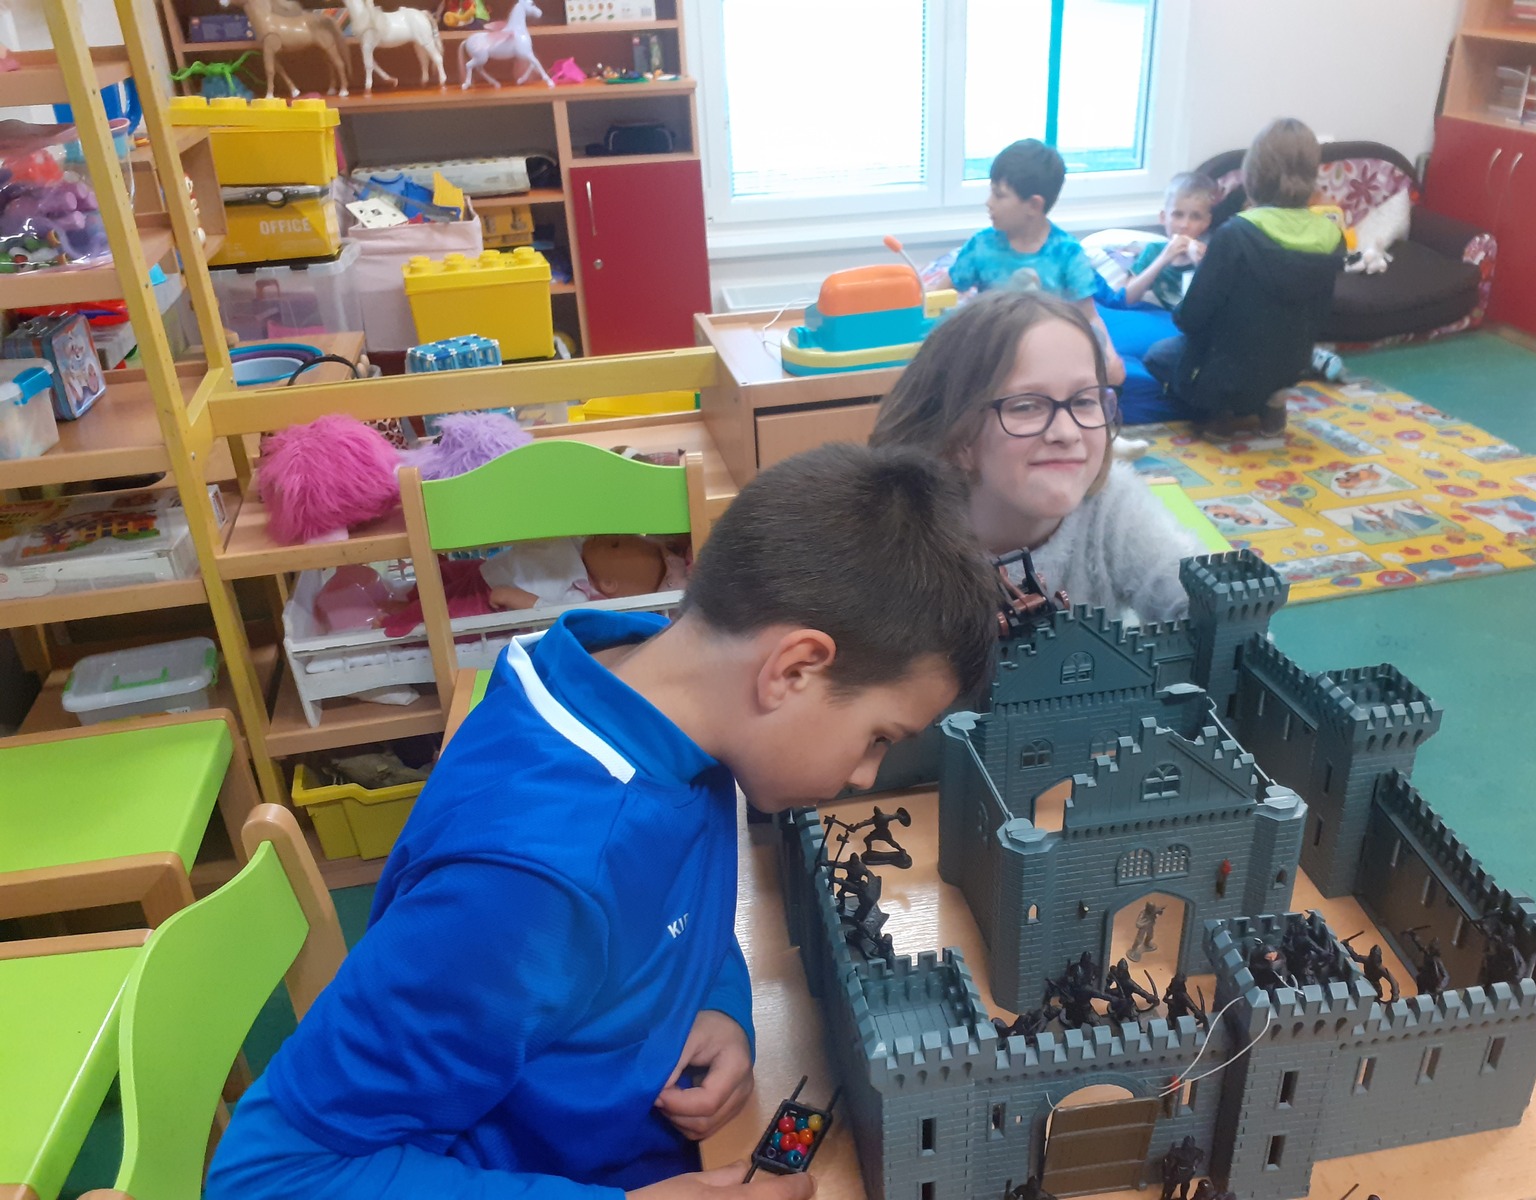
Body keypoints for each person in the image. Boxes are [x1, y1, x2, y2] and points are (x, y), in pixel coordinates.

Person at [206, 444, 1000, 1200]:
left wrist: (719, 999)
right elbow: (271, 1175)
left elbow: (668, 899)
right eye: (878, 738)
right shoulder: (528, 883)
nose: (864, 777)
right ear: (793, 669)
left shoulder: (650, 686)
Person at [871, 289, 1204, 626]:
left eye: (1083, 401)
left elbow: (1198, 600)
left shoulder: (1113, 504)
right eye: (1026, 406)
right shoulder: (896, 540)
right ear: (956, 436)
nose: (1067, 432)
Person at [1144, 117, 1343, 437]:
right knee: (1265, 354)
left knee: (1157, 356)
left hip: (1227, 368)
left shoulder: (1236, 234)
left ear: (1253, 174)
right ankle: (1272, 403)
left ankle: (1219, 412)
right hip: (1291, 364)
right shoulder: (1332, 235)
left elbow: (1191, 317)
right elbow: (1322, 313)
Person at [931, 138, 1126, 388]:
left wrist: (1109, 356)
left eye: (999, 195)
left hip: (1049, 355)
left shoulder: (1067, 253)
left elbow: (1088, 315)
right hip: (990, 354)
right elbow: (939, 295)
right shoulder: (981, 246)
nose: (988, 202)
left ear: (1034, 205)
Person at [1104, 172, 1217, 313]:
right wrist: (1163, 259)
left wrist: (1203, 265)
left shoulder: (1212, 255)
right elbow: (1126, 299)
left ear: (1206, 222)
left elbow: (1219, 304)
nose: (1184, 225)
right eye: (1178, 215)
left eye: (1195, 217)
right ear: (1163, 217)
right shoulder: (1154, 251)